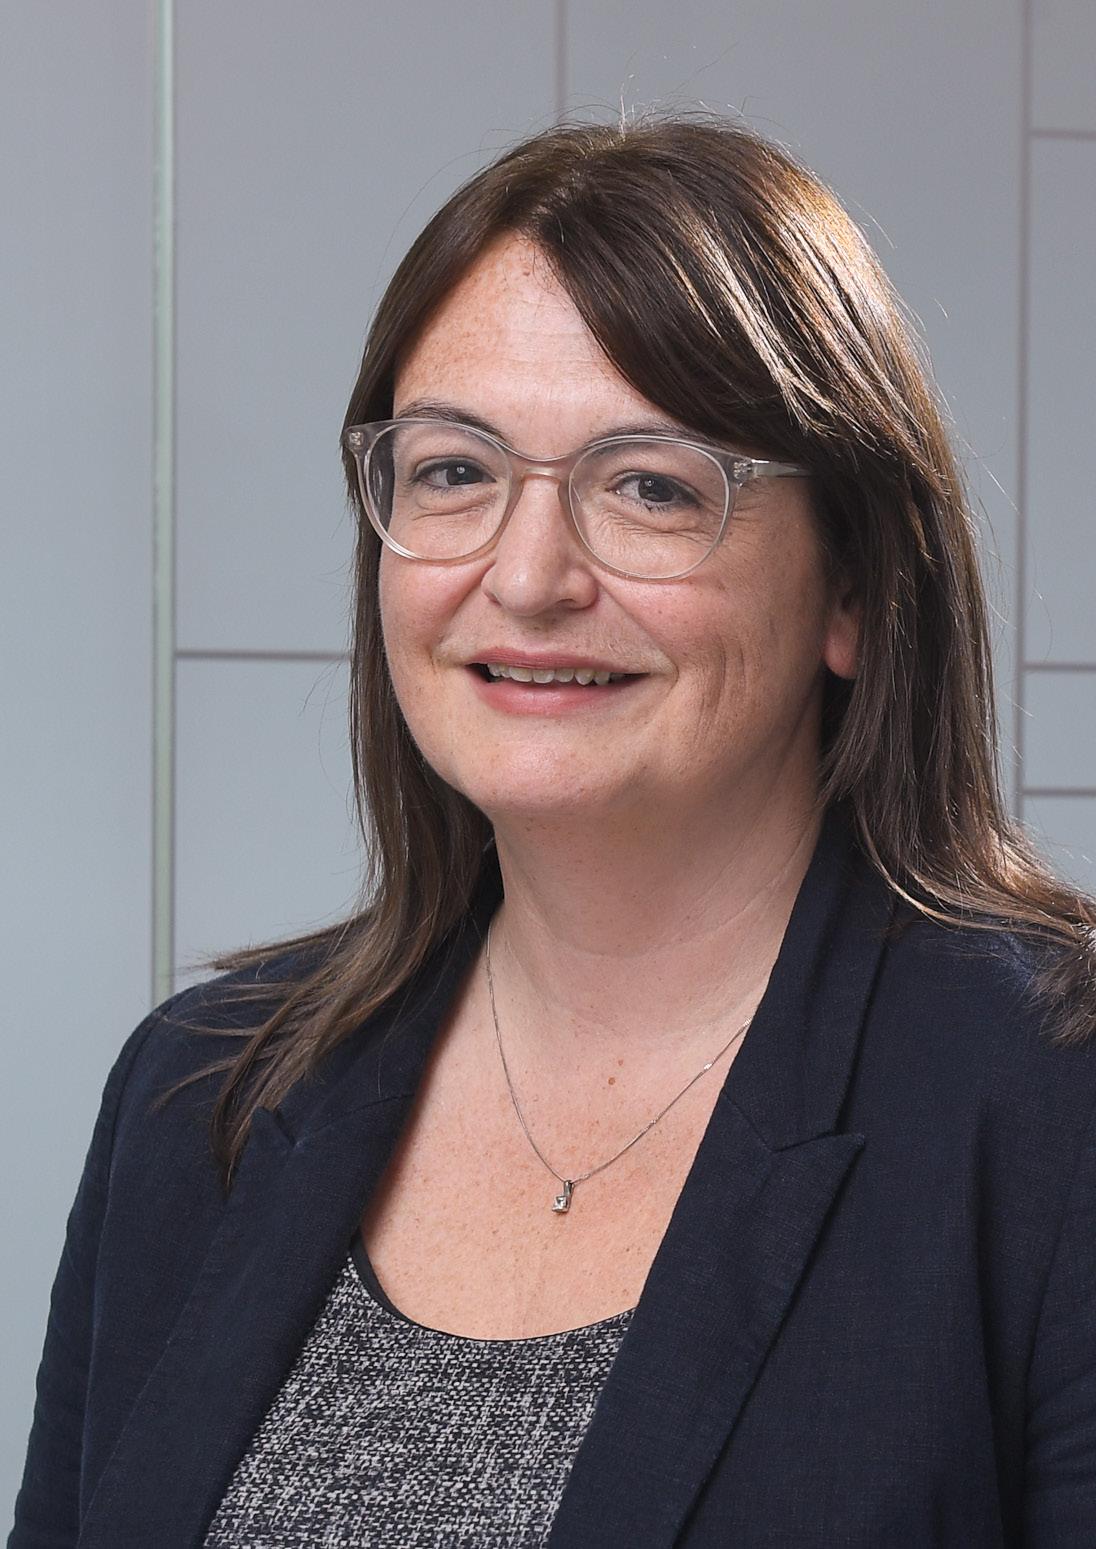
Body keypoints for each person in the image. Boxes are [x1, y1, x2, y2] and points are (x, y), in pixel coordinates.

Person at [10, 115, 1096, 1549]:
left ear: (855, 587)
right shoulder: (197, 1091)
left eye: (651, 486)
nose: (527, 578)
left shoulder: (1052, 1110)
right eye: (455, 470)